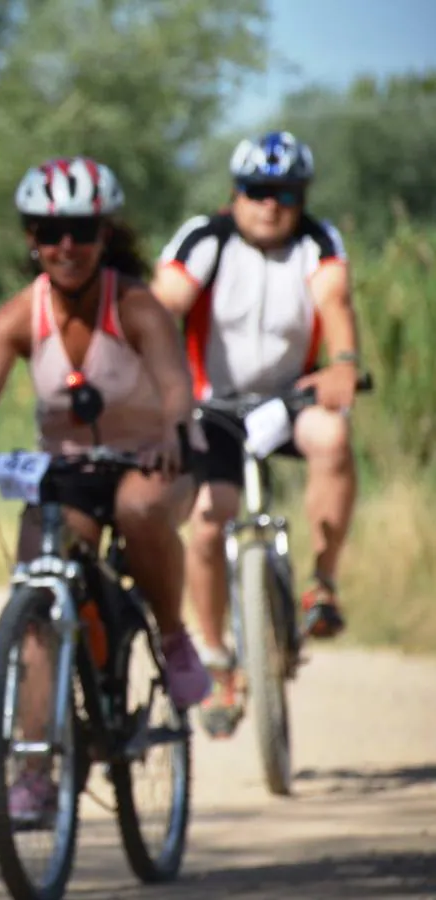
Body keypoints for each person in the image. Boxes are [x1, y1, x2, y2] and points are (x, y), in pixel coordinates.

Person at [0, 156, 211, 824]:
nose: (65, 246)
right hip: (68, 475)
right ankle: (34, 770)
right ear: (32, 235)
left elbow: (177, 383)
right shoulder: (17, 316)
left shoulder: (137, 304)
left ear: (104, 233)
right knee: (38, 586)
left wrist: (176, 430)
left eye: (82, 230)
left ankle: (173, 636)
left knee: (139, 507)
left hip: (156, 460)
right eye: (49, 230)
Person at [149, 131, 359, 738]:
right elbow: (165, 304)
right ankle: (218, 660)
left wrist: (343, 361)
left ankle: (321, 584)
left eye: (286, 193)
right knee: (212, 517)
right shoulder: (207, 237)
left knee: (333, 439)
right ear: (235, 193)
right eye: (258, 191)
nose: (271, 204)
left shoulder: (316, 241)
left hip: (292, 398)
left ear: (302, 197)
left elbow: (336, 301)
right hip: (213, 405)